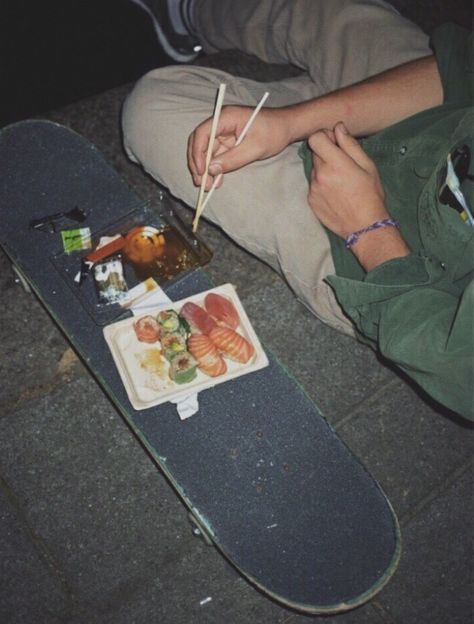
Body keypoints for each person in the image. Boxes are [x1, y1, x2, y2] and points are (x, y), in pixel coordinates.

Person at [122, 0, 473, 419]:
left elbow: (453, 360)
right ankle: (192, 15)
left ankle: (312, 92)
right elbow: (460, 72)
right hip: (442, 122)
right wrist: (291, 122)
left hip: (395, 268)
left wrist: (367, 228)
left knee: (151, 107)